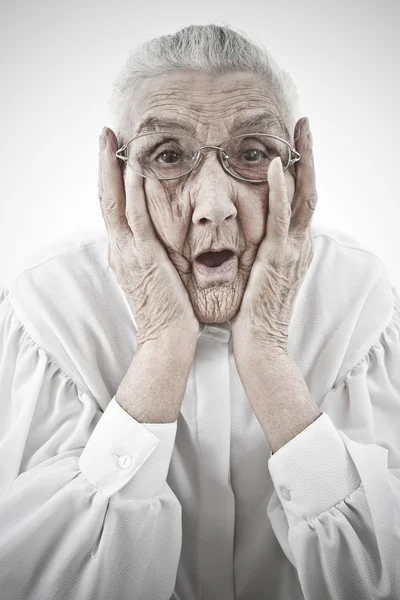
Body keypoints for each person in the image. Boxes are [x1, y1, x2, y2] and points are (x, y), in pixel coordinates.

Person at [0, 23, 399, 600]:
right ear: (117, 178)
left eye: (253, 154)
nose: (214, 207)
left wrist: (265, 351)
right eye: (168, 156)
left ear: (297, 171)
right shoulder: (50, 311)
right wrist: (162, 344)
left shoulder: (359, 301)